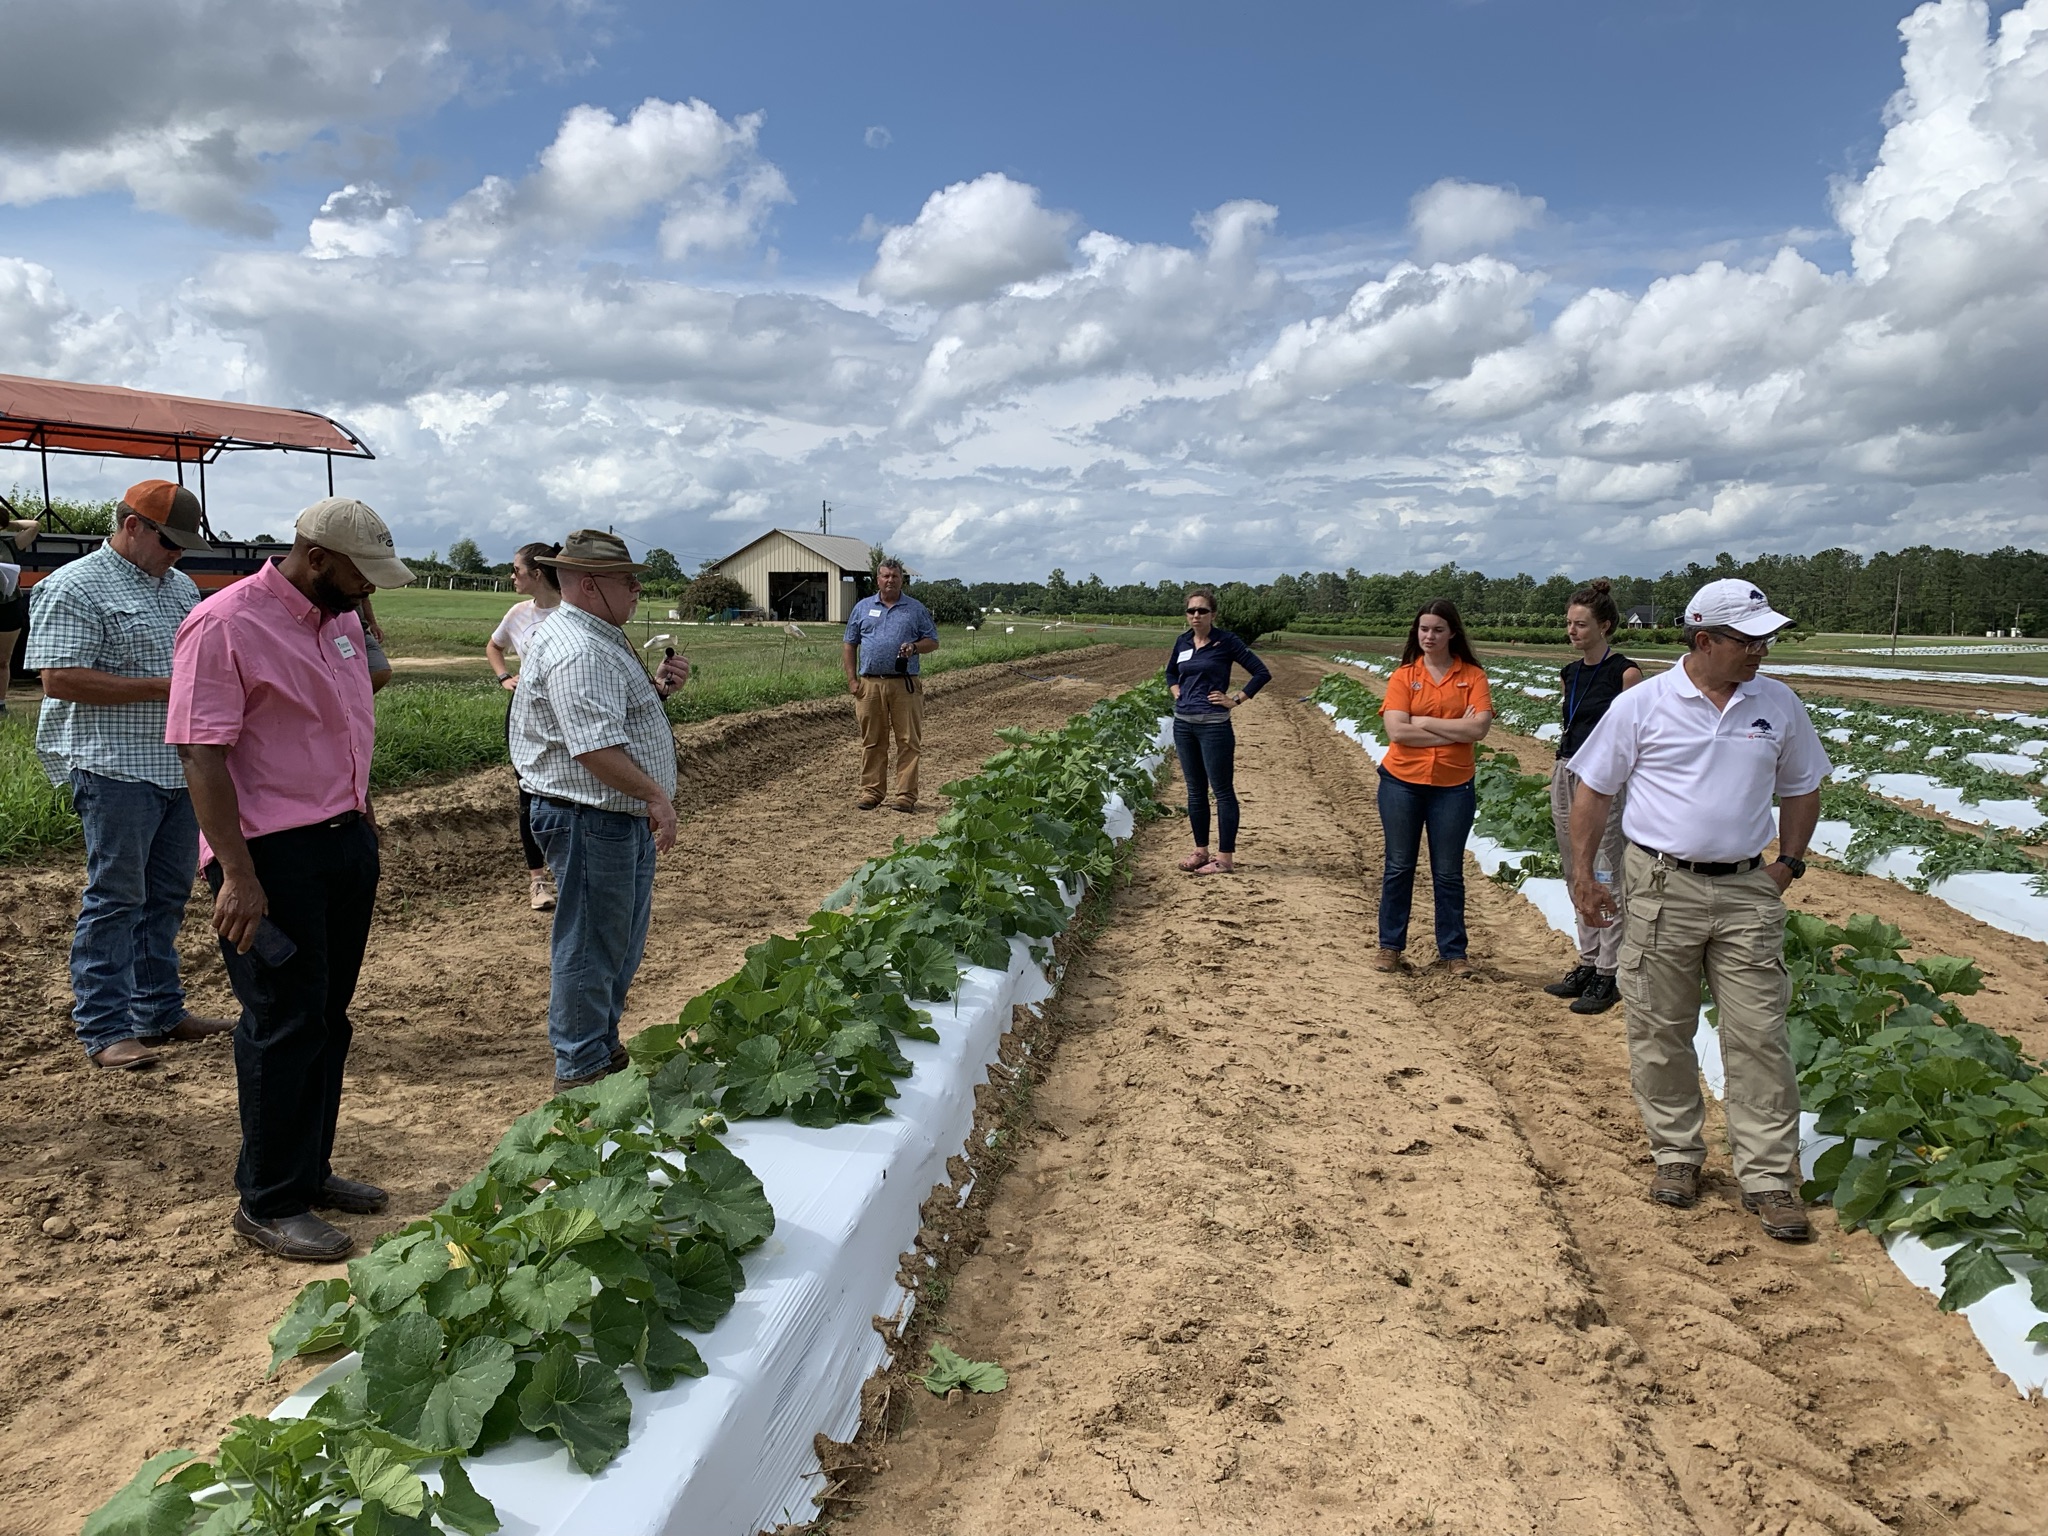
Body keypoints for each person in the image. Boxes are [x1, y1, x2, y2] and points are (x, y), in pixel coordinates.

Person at [168, 496, 416, 1262]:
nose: (369, 589)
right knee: (281, 1022)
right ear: (314, 557)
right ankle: (267, 1200)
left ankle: (309, 1170)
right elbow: (201, 754)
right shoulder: (225, 625)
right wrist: (236, 876)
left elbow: (343, 725)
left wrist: (361, 811)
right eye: (360, 574)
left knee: (328, 1017)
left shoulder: (337, 618)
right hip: (270, 858)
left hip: (343, 841)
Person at [1566, 578, 1830, 1243]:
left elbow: (1802, 787)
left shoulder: (1778, 704)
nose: (1761, 651)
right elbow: (1594, 791)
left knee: (1759, 1034)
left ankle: (1768, 1177)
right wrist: (1583, 875)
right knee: (1660, 1028)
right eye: (1748, 639)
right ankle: (1677, 1155)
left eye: (1767, 638)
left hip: (1747, 889)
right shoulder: (1644, 703)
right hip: (1660, 885)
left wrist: (1787, 864)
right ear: (1704, 638)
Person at [26, 480, 233, 1069]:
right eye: (170, 541)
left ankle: (159, 1010)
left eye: (185, 544)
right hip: (111, 764)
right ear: (131, 525)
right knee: (116, 897)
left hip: (174, 765)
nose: (179, 553)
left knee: (165, 894)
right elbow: (59, 679)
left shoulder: (181, 587)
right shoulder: (73, 586)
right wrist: (167, 688)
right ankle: (104, 1026)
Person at [509, 530, 690, 1091]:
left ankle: (601, 1048)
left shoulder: (597, 634)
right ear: (588, 583)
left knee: (616, 941)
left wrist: (658, 690)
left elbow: (613, 722)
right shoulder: (578, 648)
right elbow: (593, 748)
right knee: (591, 944)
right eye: (626, 580)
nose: (637, 589)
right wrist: (656, 796)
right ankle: (582, 1068)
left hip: (612, 816)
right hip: (588, 817)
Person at [1374, 601, 1494, 975]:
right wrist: (1451, 730)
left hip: (1453, 785)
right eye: (1424, 630)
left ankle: (1454, 953)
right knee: (1398, 866)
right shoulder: (1402, 676)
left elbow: (1478, 730)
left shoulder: (1473, 676)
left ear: (1452, 633)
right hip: (1401, 782)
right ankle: (1390, 947)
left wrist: (1421, 721)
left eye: (1438, 630)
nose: (1429, 636)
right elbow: (1396, 732)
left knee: (1448, 872)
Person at [1544, 580, 1644, 1015]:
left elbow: (1636, 734)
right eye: (1569, 624)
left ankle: (1609, 971)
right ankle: (1587, 960)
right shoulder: (1570, 672)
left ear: (1605, 625)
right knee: (1575, 867)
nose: (1573, 631)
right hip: (1568, 769)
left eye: (1581, 624)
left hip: (1605, 781)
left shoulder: (1625, 673)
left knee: (1606, 873)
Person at [1165, 589, 1271, 875]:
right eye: (1191, 611)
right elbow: (1171, 673)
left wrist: (1235, 700)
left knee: (1222, 791)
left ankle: (1225, 859)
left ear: (1213, 614)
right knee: (1195, 791)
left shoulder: (1227, 642)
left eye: (1202, 611)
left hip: (1214, 726)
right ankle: (1201, 851)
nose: (1196, 616)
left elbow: (1261, 673)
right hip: (1184, 723)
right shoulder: (1183, 641)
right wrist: (1177, 692)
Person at [487, 542, 563, 910]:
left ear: (537, 574)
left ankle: (570, 872)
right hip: (525, 717)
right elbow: (493, 646)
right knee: (528, 795)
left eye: (515, 570)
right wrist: (503, 678)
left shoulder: (573, 613)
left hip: (568, 715)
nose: (511, 576)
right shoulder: (518, 613)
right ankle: (538, 882)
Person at [841, 557, 938, 812]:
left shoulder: (915, 609)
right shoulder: (862, 608)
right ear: (878, 579)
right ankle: (871, 792)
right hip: (870, 685)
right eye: (885, 576)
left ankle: (905, 795)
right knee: (873, 741)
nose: (890, 580)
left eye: (895, 576)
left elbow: (933, 640)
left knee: (908, 741)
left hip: (904, 685)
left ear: (901, 580)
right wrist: (852, 681)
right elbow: (850, 643)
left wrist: (915, 647)